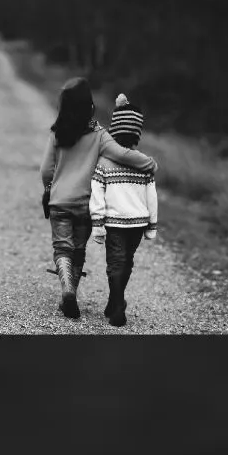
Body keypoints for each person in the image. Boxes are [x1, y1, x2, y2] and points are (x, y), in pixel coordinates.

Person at [40, 78, 158, 320]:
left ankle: (68, 290)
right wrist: (150, 164)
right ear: (89, 106)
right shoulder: (99, 135)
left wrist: (50, 188)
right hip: (84, 203)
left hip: (59, 202)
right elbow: (123, 154)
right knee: (78, 250)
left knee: (62, 248)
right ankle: (71, 291)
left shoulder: (57, 133)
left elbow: (45, 170)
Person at [89, 93, 158, 327]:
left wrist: (97, 224)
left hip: (114, 222)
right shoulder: (143, 164)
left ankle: (117, 304)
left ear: (113, 130)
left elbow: (97, 195)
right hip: (138, 223)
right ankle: (115, 301)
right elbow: (152, 197)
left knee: (115, 262)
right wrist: (152, 225)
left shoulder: (104, 163)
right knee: (127, 261)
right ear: (137, 133)